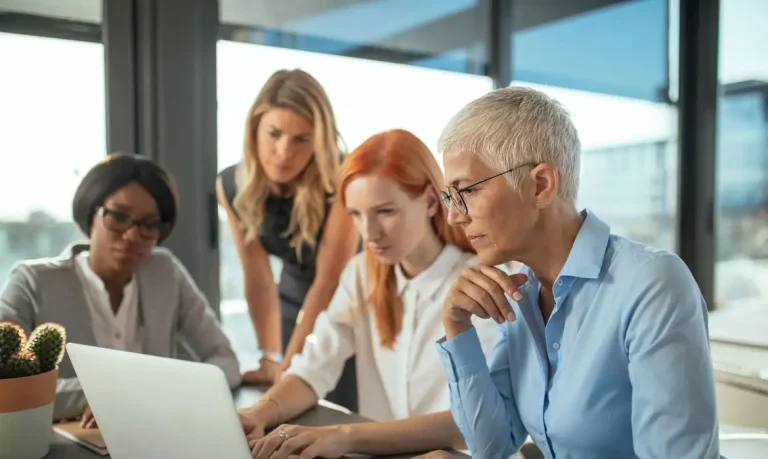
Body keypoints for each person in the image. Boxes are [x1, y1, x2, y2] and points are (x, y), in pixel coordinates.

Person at [430, 86, 723, 459]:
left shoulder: (651, 284)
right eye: (449, 197)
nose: (455, 216)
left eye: (466, 191)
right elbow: (493, 444)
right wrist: (457, 327)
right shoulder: (521, 293)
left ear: (541, 185)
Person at [239, 129, 499, 459]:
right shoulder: (361, 274)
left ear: (431, 202)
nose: (369, 233)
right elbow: (313, 368)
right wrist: (259, 413)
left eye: (385, 211)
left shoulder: (483, 280)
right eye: (357, 215)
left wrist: (344, 436)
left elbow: (475, 421)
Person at [0, 153, 240, 424]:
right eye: (118, 217)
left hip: (155, 435)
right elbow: (8, 387)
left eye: (149, 224)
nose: (132, 236)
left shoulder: (165, 272)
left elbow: (225, 361)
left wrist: (164, 394)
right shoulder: (32, 280)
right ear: (92, 214)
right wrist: (113, 395)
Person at [217, 69, 359, 411]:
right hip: (292, 296)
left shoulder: (343, 176)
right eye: (274, 133)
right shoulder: (231, 184)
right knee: (283, 406)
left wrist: (291, 367)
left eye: (301, 139)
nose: (283, 152)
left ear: (320, 140)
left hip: (352, 299)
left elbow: (328, 282)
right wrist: (271, 357)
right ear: (255, 130)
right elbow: (258, 278)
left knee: (335, 408)